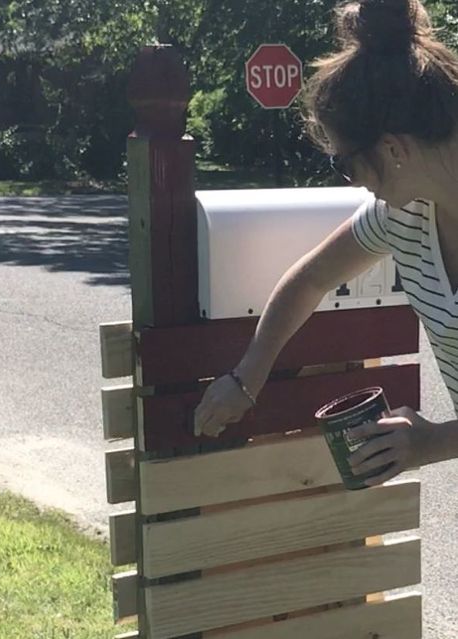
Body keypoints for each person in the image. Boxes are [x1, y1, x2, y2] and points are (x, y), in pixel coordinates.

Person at [194, 0, 458, 486]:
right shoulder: (403, 216)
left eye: (346, 165)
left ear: (394, 150)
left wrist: (436, 442)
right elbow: (312, 278)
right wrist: (245, 379)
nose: (353, 183)